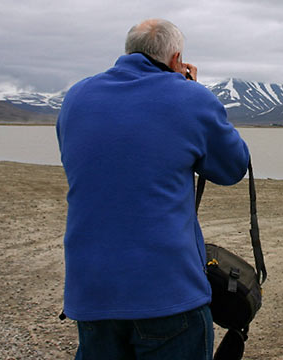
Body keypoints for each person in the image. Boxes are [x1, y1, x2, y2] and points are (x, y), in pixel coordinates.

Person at [56, 19, 250, 360]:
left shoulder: (77, 96)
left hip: (90, 290)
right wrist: (191, 89)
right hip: (166, 292)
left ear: (129, 51)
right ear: (176, 58)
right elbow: (233, 167)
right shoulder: (190, 97)